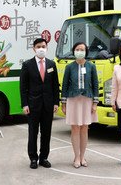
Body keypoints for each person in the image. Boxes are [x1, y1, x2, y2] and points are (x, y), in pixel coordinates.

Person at [20, 38, 60, 169]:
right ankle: (33, 158)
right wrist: (25, 104)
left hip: (48, 105)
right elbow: (23, 87)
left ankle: (44, 158)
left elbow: (55, 85)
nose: (41, 49)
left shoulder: (51, 64)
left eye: (43, 46)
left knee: (46, 133)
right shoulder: (27, 65)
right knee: (33, 133)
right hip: (32, 105)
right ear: (34, 49)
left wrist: (56, 102)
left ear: (47, 47)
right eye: (38, 46)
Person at [60, 42, 99, 169]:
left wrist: (95, 103)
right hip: (73, 100)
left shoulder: (91, 66)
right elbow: (64, 85)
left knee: (84, 128)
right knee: (75, 128)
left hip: (87, 100)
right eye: (77, 49)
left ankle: (83, 156)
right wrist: (64, 103)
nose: (79, 51)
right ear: (73, 51)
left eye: (82, 49)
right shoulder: (69, 67)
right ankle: (76, 156)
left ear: (86, 51)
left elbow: (95, 85)